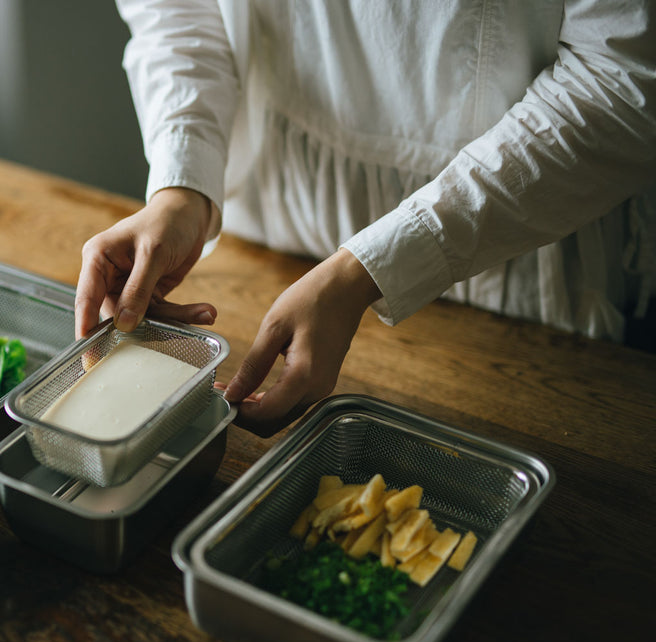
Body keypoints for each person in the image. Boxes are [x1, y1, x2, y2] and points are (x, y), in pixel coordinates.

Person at [75, 0, 656, 436]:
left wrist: (370, 269)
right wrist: (183, 187)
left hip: (507, 256)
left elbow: (623, 79)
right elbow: (177, 8)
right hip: (274, 223)